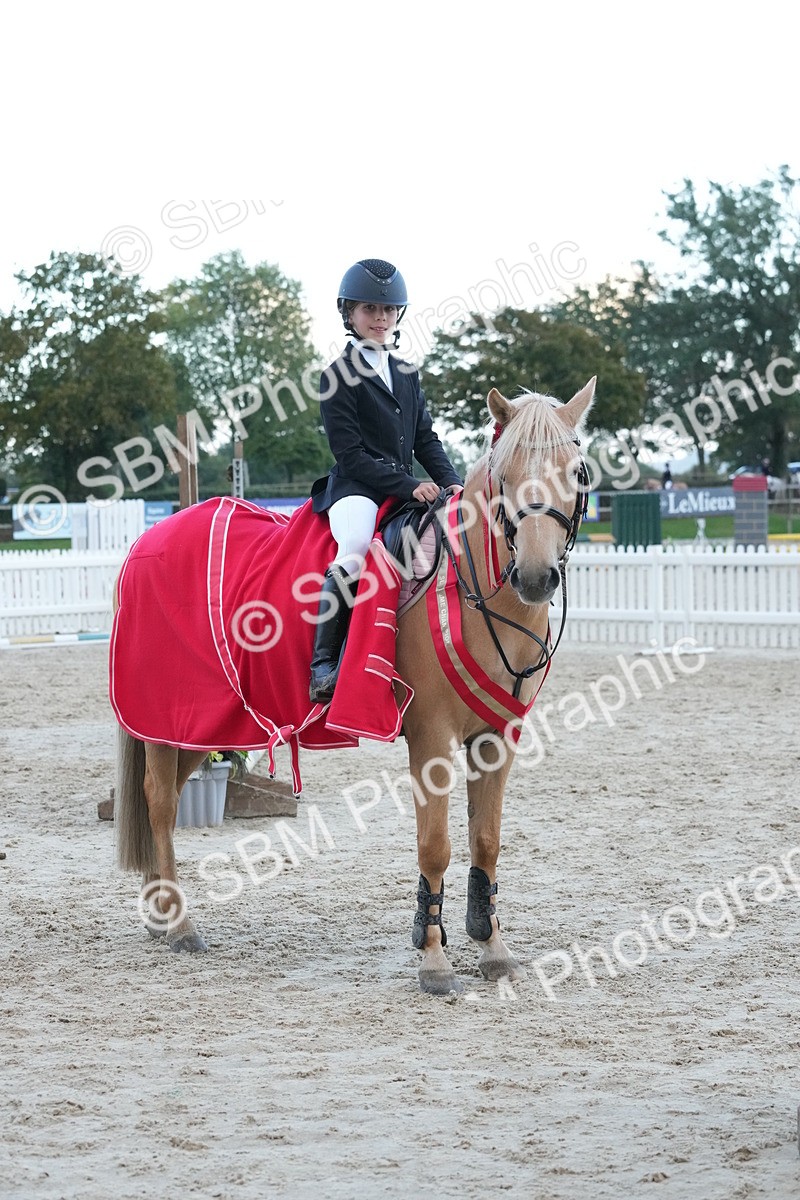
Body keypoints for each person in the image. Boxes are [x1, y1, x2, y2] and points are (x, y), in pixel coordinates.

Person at [308, 258, 462, 702]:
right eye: (370, 309)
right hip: (356, 489)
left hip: (407, 489)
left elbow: (424, 439)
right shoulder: (336, 376)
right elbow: (350, 455)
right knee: (355, 549)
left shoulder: (408, 374)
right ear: (349, 315)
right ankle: (323, 664)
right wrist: (408, 485)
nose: (380, 319)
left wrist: (452, 483)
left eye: (389, 310)